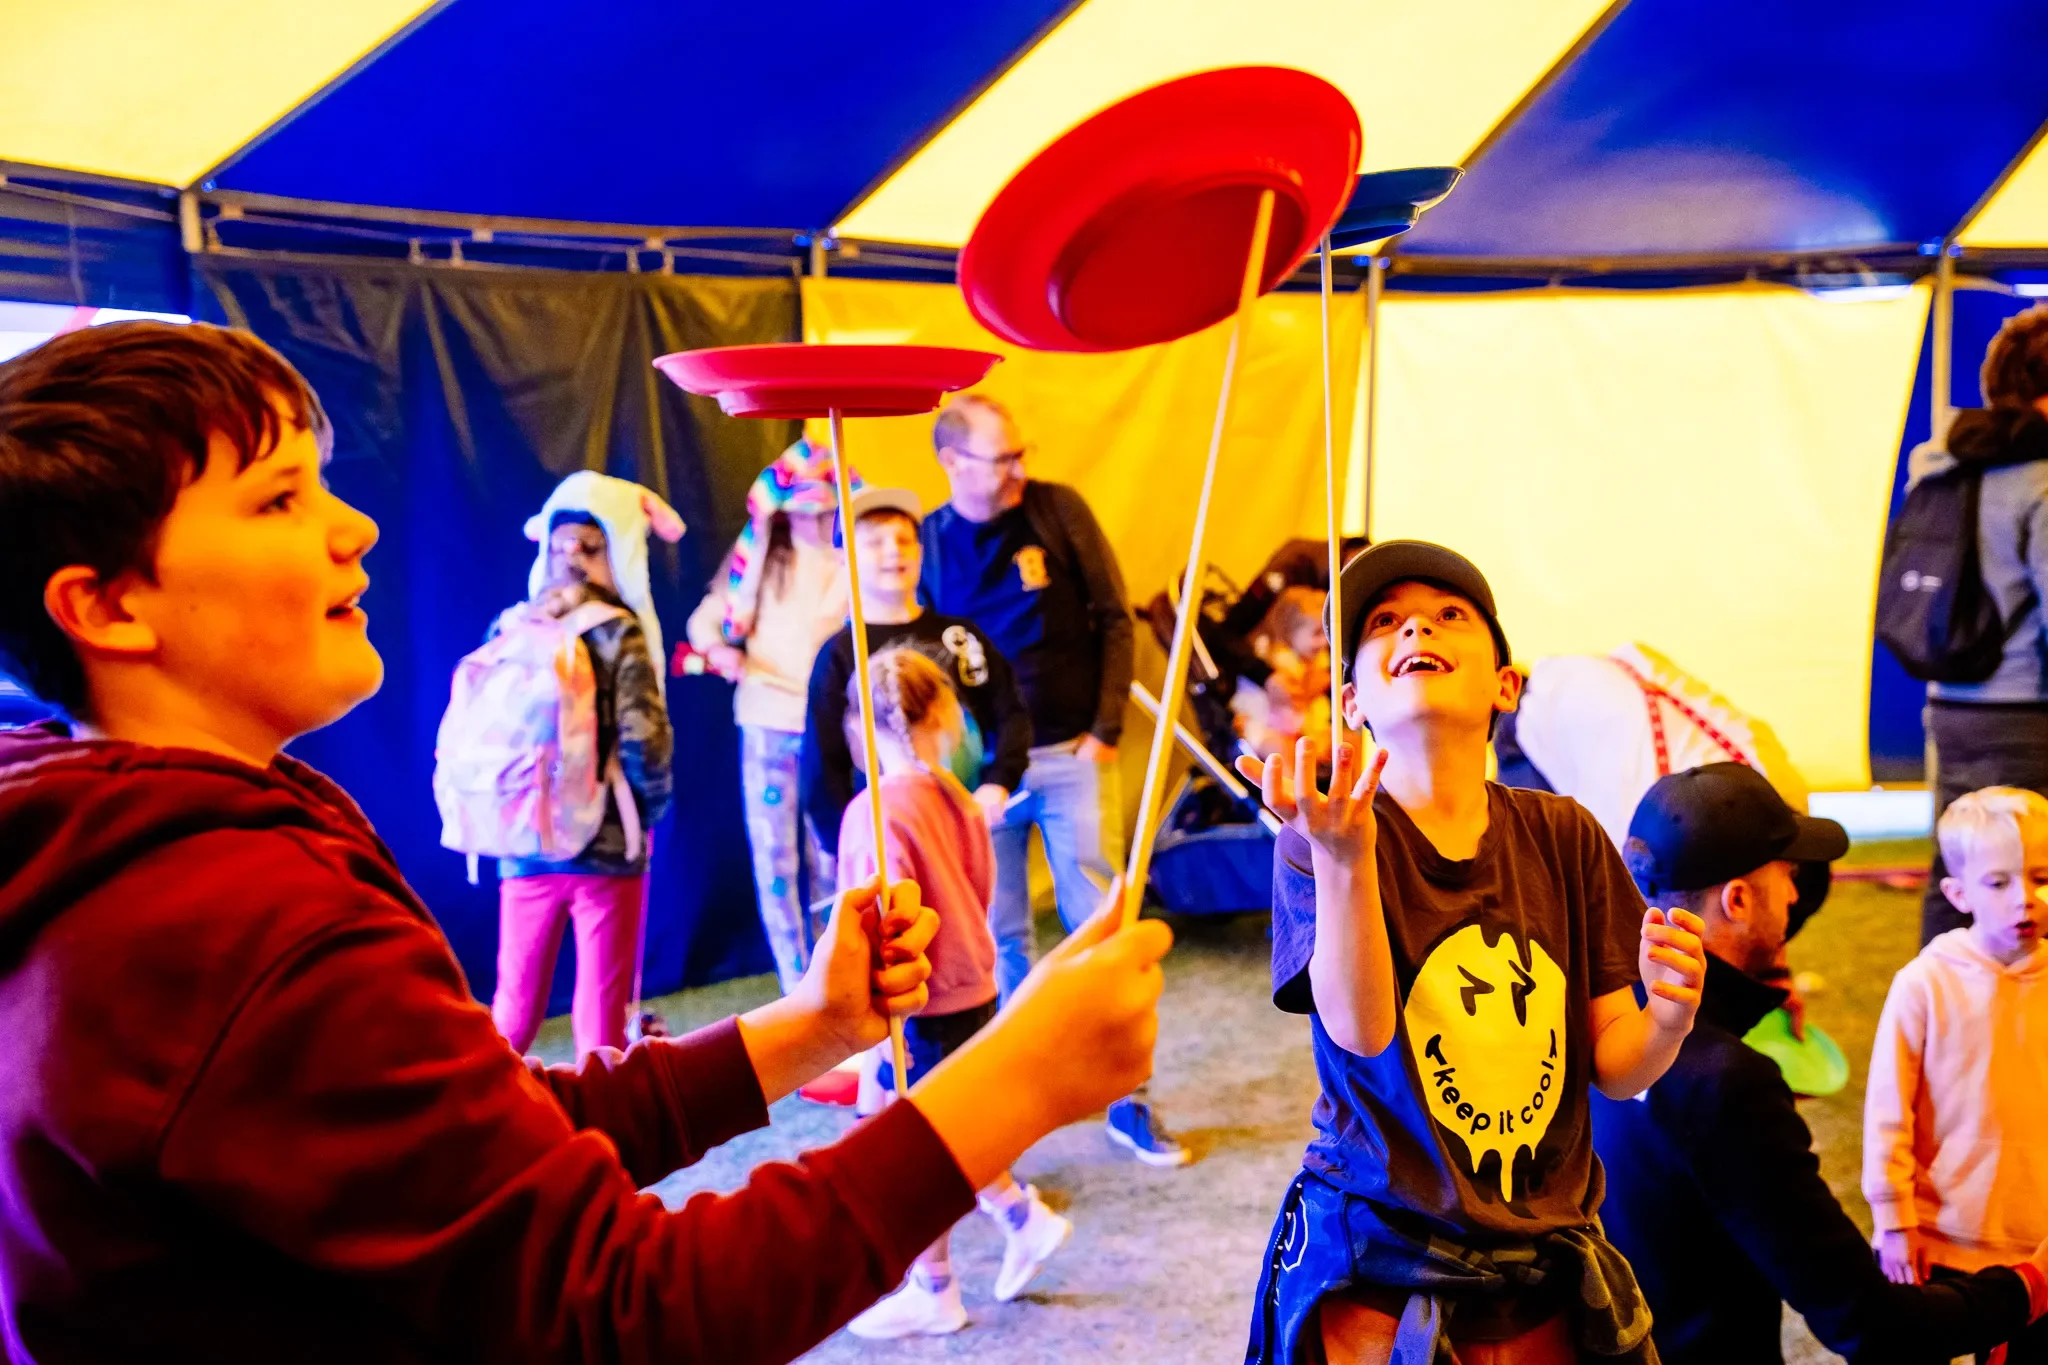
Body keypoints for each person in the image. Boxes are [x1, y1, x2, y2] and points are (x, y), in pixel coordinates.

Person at [0, 319, 1177, 1364]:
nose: (353, 528)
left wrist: (804, 1028)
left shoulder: (124, 834)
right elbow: (627, 1310)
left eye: (323, 487)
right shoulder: (232, 925)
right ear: (105, 605)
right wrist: (1015, 1082)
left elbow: (482, 1148)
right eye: (278, 499)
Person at [1240, 539, 1710, 1365]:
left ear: (1504, 683)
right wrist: (1344, 857)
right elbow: (1360, 1027)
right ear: (1350, 698)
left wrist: (1667, 1020)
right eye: (1384, 621)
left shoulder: (1564, 833)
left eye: (1449, 614)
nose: (1415, 623)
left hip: (1546, 1259)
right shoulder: (1316, 840)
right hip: (1377, 1255)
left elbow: (1615, 1064)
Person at [1594, 762, 2048, 1365]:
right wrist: (2029, 1286)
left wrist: (1755, 997)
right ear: (1737, 900)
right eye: (1787, 877)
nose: (1792, 895)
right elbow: (1870, 1324)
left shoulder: (1598, 1019)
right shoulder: (1727, 1083)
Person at [922, 394, 1185, 1166]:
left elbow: (1113, 614)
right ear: (952, 462)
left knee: (1098, 922)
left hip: (1072, 754)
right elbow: (930, 662)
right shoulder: (932, 544)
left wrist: (1106, 727)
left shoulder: (1056, 510)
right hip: (983, 773)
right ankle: (1023, 1092)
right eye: (1001, 458)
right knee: (1001, 937)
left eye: (1019, 453)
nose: (1017, 470)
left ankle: (1128, 1097)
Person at [833, 650, 1073, 1339]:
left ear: (862, 726)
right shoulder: (957, 796)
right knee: (899, 1122)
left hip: (917, 1000)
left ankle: (981, 1246)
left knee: (922, 1141)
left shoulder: (874, 810)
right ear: (941, 712)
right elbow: (981, 888)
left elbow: (879, 918)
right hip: (971, 984)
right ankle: (962, 1256)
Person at [488, 471, 676, 1058]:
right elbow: (646, 739)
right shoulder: (621, 631)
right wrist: (647, 815)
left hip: (524, 840)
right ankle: (605, 1134)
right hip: (608, 845)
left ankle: (485, 1121)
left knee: (513, 1010)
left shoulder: (510, 626)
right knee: (601, 1011)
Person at [1864, 786, 2048, 1361]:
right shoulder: (1925, 984)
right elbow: (1888, 1110)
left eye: (2041, 876)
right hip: (1942, 1235)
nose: (2026, 899)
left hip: (2039, 1246)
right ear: (1958, 892)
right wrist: (1894, 1220)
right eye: (2000, 882)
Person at [685, 439, 850, 993]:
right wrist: (719, 650)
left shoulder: (857, 559)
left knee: (831, 857)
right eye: (805, 510)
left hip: (833, 731)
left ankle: (836, 981)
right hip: (766, 722)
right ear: (782, 511)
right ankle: (795, 985)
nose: (816, 520)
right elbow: (708, 621)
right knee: (776, 864)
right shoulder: (756, 558)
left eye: (826, 509)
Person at [802, 485, 1031, 862]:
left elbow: (1010, 712)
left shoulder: (959, 637)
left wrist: (998, 783)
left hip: (969, 827)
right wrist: (844, 844)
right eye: (876, 542)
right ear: (846, 560)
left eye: (905, 540)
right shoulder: (840, 655)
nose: (894, 550)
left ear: (920, 553)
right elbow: (821, 762)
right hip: (889, 844)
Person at [1917, 303, 2048, 945]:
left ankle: (1935, 1026)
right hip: (2025, 715)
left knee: (1962, 874)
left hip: (1951, 703)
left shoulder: (1946, 465)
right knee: (2031, 884)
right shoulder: (2040, 482)